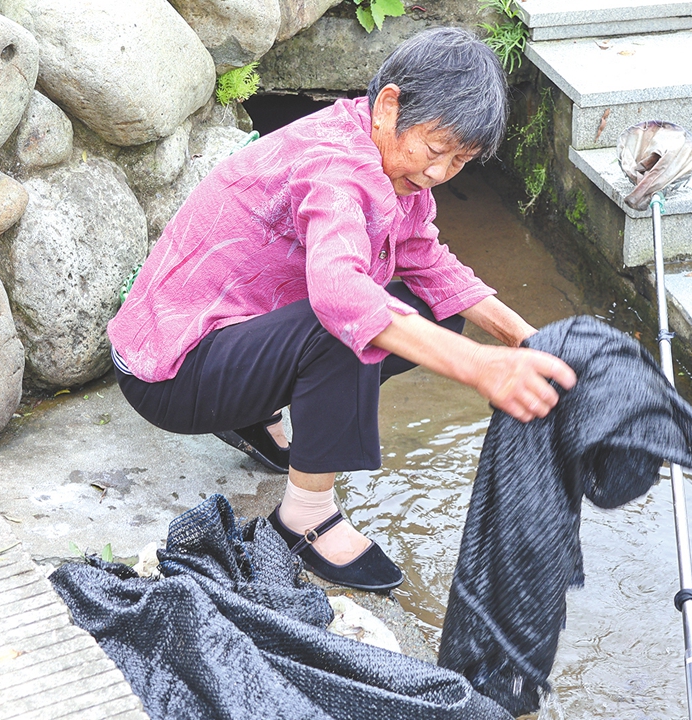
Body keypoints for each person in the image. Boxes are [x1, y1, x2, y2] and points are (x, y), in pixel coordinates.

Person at [107, 27, 577, 593]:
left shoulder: (387, 163)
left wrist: (531, 341)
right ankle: (304, 515)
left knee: (432, 307)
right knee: (348, 322)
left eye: (458, 162)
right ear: (389, 106)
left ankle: (253, 412)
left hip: (222, 336)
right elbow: (340, 297)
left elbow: (427, 261)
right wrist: (479, 366)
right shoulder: (336, 165)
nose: (437, 173)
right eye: (433, 150)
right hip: (168, 371)